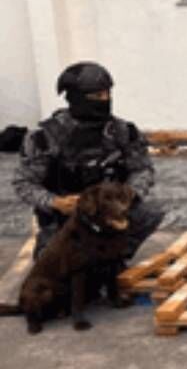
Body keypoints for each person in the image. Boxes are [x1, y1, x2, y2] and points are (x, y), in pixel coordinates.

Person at [12, 62, 162, 260]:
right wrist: (55, 202)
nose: (105, 100)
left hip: (111, 212)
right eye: (96, 96)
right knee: (53, 268)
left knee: (148, 214)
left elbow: (142, 169)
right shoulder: (45, 138)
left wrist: (127, 196)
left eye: (107, 94)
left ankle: (111, 254)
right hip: (66, 218)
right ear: (75, 98)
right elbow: (24, 183)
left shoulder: (122, 131)